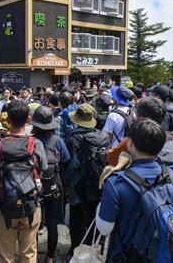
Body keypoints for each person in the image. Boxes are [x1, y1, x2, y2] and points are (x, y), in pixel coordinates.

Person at [96, 119, 173, 262]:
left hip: (125, 254)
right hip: (159, 252)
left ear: (129, 143)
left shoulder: (116, 182)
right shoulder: (171, 176)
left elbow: (104, 228)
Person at [0, 100, 47, 263]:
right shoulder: (36, 144)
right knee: (29, 253)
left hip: (5, 204)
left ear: (8, 120)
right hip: (31, 204)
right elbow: (40, 171)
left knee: (5, 254)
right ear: (28, 120)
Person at [65, 103, 109, 256]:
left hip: (78, 187)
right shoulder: (101, 136)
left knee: (77, 221)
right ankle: (93, 250)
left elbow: (69, 165)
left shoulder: (74, 139)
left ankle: (76, 251)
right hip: (98, 185)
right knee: (93, 218)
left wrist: (66, 184)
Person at [31, 106, 70, 263]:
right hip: (54, 186)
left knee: (34, 224)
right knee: (53, 224)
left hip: (34, 188)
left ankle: (32, 256)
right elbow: (66, 160)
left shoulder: (31, 141)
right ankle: (50, 257)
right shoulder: (58, 141)